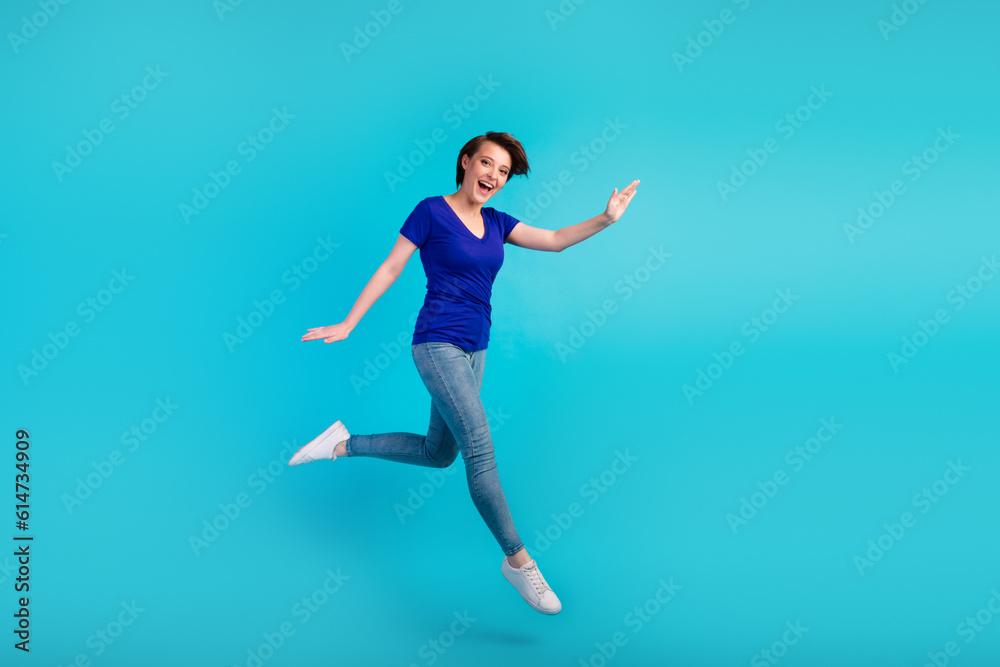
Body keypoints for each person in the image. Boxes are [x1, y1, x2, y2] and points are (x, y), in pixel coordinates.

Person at [290, 131, 639, 615]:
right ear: (466, 161)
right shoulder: (430, 211)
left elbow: (555, 241)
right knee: (479, 446)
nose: (494, 176)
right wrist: (350, 322)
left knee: (439, 454)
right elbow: (392, 267)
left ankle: (342, 444)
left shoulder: (497, 222)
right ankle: (518, 561)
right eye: (488, 164)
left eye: (503, 172)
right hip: (437, 343)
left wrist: (606, 218)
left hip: (477, 348)